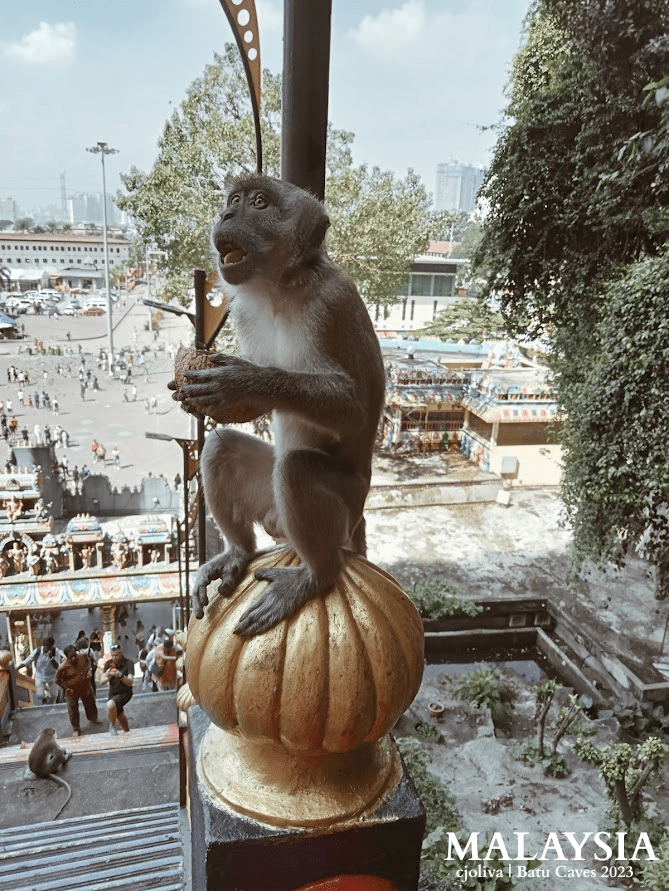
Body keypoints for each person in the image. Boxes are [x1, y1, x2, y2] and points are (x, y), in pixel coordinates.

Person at [55, 645, 101, 736]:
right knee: (73, 710)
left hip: (85, 686)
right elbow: (57, 680)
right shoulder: (62, 667)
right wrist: (67, 688)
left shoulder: (83, 656)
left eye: (74, 655)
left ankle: (93, 718)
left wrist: (89, 670)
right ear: (67, 657)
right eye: (70, 657)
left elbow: (88, 661)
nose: (73, 659)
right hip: (72, 691)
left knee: (90, 703)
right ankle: (76, 728)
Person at [101, 643, 134, 735]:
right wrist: (108, 676)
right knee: (119, 713)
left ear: (121, 652)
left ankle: (111, 727)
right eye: (113, 656)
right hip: (113, 692)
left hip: (125, 692)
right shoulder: (109, 664)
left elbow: (130, 682)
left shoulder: (128, 663)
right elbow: (102, 681)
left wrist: (121, 676)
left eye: (117, 655)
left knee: (110, 705)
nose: (114, 658)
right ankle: (127, 732)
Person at [18, 637, 61, 704]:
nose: (47, 649)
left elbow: (57, 666)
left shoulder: (56, 652)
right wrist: (16, 669)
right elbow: (28, 661)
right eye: (45, 647)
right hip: (40, 675)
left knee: (54, 695)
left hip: (52, 675)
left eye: (49, 647)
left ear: (52, 646)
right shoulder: (37, 651)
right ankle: (45, 697)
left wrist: (51, 658)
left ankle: (51, 706)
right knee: (40, 695)